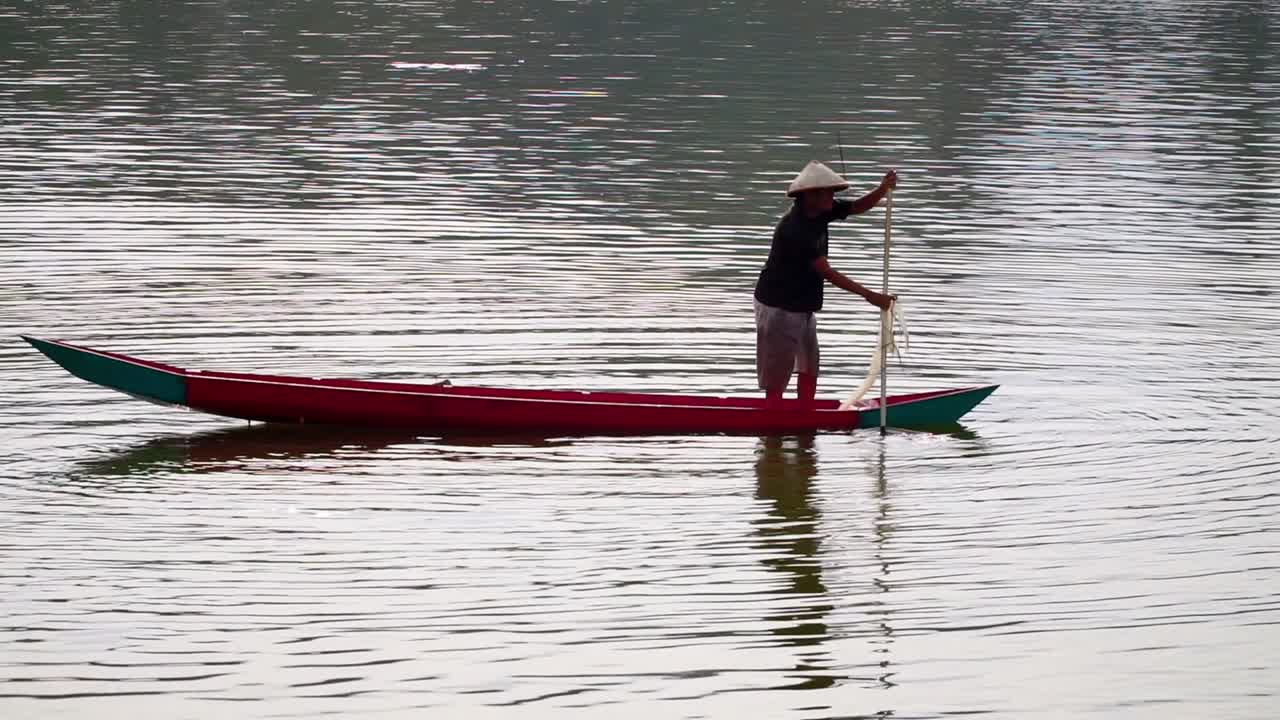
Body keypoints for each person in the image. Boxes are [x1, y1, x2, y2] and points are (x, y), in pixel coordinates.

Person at [754, 160, 897, 406]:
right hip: (778, 306)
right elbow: (827, 272)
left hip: (802, 304)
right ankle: (773, 424)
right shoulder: (796, 229)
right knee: (778, 372)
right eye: (827, 192)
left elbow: (857, 206)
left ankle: (805, 418)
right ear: (810, 195)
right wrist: (870, 295)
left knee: (810, 363)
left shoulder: (822, 210)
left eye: (832, 192)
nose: (832, 197)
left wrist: (882, 189)